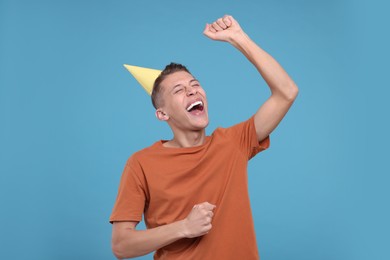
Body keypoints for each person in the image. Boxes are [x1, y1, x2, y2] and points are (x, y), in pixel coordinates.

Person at [110, 15, 298, 259]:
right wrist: (184, 227)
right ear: (162, 113)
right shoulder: (141, 164)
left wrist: (238, 38)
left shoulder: (233, 143)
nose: (192, 90)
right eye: (179, 90)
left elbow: (287, 92)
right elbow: (121, 245)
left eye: (194, 84)